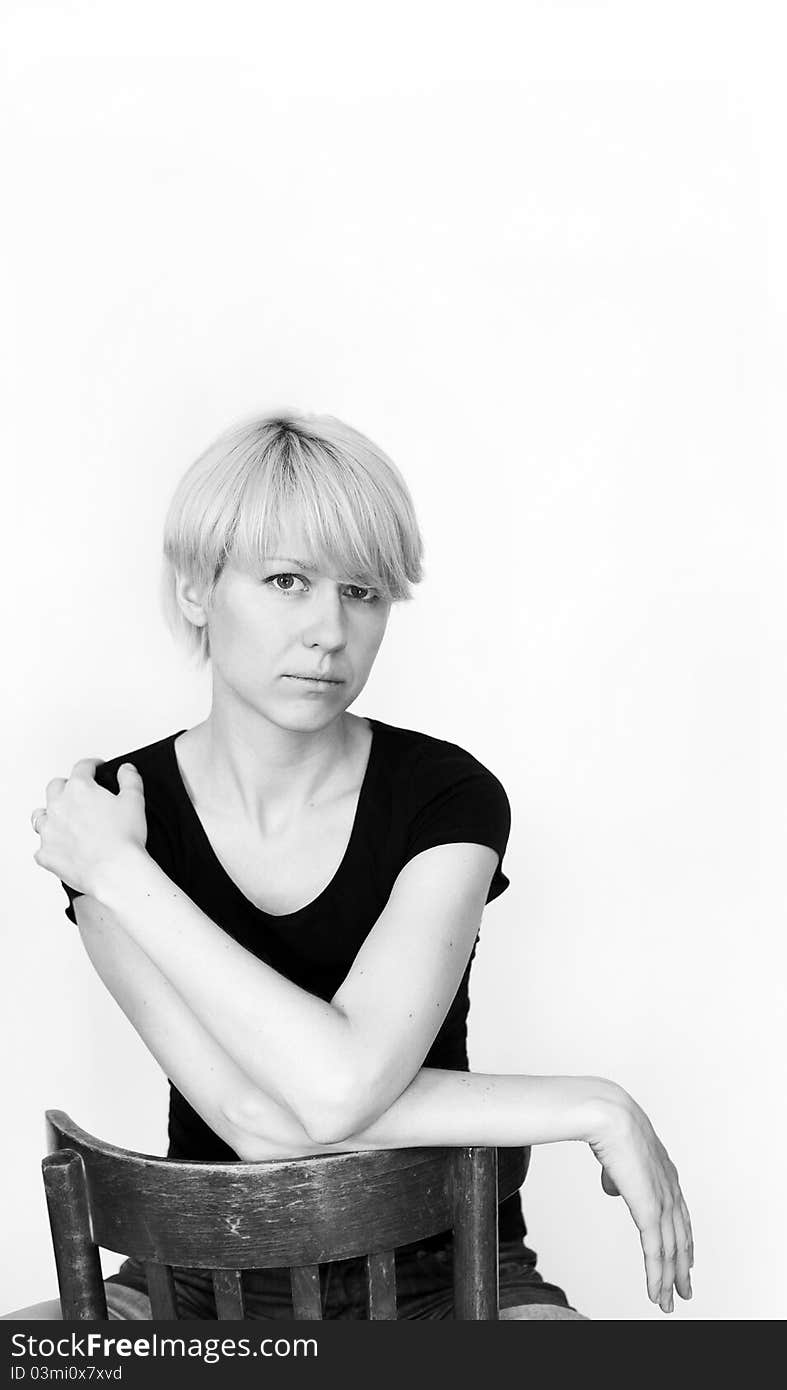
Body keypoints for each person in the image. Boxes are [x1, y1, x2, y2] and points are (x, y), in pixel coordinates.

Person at [9, 412, 693, 1321]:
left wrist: (120, 876)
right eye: (287, 581)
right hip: (199, 1277)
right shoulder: (117, 816)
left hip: (447, 1278)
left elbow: (336, 1093)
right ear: (195, 591)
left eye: (363, 592)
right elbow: (258, 1123)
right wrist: (576, 1107)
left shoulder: (445, 797)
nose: (330, 630)